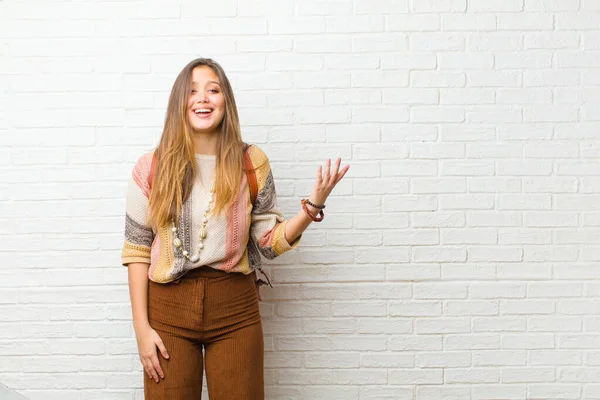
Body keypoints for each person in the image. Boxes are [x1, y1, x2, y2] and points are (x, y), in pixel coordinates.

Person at [121, 58, 349, 399]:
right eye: (193, 91)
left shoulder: (251, 162)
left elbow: (268, 243)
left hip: (235, 310)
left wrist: (312, 207)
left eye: (213, 90)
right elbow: (137, 249)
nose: (203, 98)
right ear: (178, 103)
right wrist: (142, 327)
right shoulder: (151, 167)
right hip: (168, 311)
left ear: (226, 101)